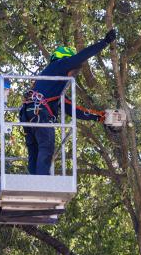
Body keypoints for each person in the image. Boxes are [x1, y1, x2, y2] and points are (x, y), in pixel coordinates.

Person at [19, 29, 117, 175]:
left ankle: (33, 182)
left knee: (35, 150)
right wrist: (104, 42)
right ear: (65, 61)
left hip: (28, 112)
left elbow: (72, 109)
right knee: (46, 147)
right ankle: (42, 183)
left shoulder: (53, 87)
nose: (75, 73)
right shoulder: (60, 65)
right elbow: (81, 57)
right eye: (75, 69)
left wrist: (100, 117)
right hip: (39, 112)